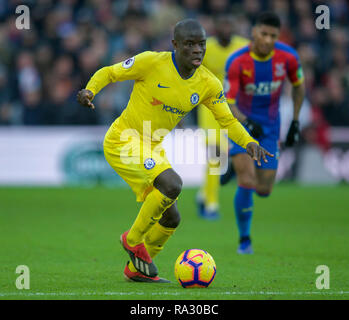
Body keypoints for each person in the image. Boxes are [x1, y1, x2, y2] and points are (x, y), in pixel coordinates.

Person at [77, 19, 272, 283]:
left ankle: (137, 269)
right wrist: (90, 90)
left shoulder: (208, 83)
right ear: (175, 45)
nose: (197, 50)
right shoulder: (151, 62)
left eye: (201, 44)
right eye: (190, 45)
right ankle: (132, 240)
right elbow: (110, 72)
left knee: (172, 217)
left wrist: (248, 142)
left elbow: (227, 120)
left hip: (153, 146)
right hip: (123, 140)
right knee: (172, 184)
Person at [223, 12, 305, 254]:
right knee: (246, 180)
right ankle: (244, 240)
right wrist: (247, 122)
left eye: (273, 35)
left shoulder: (288, 57)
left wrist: (296, 122)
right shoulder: (237, 61)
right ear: (253, 32)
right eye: (264, 33)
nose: (268, 40)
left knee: (264, 190)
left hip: (270, 127)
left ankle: (231, 167)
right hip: (242, 125)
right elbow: (228, 102)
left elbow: (299, 86)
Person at [196, 14, 250, 220]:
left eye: (229, 23)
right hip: (210, 108)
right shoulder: (205, 47)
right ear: (216, 28)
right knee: (215, 154)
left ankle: (203, 194)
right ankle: (211, 205)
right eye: (222, 23)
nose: (226, 28)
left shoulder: (243, 47)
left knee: (221, 157)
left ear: (234, 26)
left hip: (234, 108)